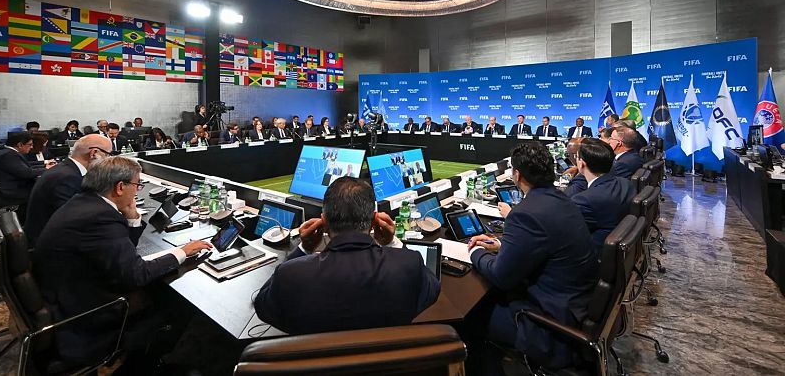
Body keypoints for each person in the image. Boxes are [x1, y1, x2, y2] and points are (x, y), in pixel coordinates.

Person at [33, 156, 212, 369]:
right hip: (83, 315)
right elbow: (136, 275)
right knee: (177, 304)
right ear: (120, 187)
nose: (137, 191)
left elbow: (123, 251)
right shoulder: (100, 217)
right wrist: (182, 252)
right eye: (137, 185)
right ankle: (149, 365)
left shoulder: (84, 203)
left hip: (65, 294)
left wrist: (133, 218)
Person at [466, 141, 598, 371]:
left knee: (469, 318)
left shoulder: (525, 213)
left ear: (517, 175)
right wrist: (500, 245)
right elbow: (543, 244)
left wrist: (476, 253)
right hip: (577, 306)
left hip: (550, 327)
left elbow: (501, 276)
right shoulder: (561, 199)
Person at [254, 177, 440, 334]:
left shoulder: (291, 274)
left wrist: (304, 248)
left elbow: (263, 306)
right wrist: (392, 243)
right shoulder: (408, 264)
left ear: (324, 222)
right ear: (375, 220)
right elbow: (432, 290)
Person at [24, 134, 112, 245]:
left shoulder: (67, 170)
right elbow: (75, 221)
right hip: (52, 245)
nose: (108, 160)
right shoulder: (66, 178)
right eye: (107, 155)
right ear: (93, 153)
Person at [570, 138, 636, 255]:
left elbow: (568, 237)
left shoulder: (583, 201)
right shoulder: (626, 184)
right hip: (620, 254)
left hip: (592, 258)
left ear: (581, 164)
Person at [0, 132, 51, 209]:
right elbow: (27, 173)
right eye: (30, 144)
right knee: (42, 192)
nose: (32, 147)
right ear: (20, 145)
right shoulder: (9, 155)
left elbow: (26, 166)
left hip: (4, 189)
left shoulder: (5, 151)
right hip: (7, 193)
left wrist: (44, 164)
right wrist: (46, 169)